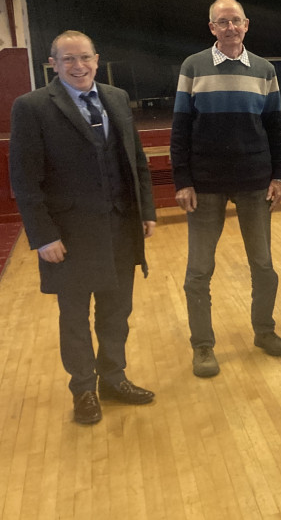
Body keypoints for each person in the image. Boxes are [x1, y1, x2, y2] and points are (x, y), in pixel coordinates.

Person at [10, 31, 157, 424]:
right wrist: (43, 236)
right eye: (69, 60)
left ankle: (113, 377)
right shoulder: (32, 107)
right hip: (69, 237)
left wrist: (147, 211)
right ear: (53, 64)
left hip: (119, 230)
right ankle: (83, 390)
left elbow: (136, 159)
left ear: (96, 59)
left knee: (116, 312)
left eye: (85, 58)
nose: (79, 66)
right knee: (74, 318)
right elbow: (24, 180)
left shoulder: (116, 98)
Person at [171, 0, 281, 379]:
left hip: (255, 182)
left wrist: (278, 175)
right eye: (222, 22)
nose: (230, 27)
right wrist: (182, 181)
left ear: (246, 25)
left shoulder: (265, 69)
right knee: (199, 271)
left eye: (235, 21)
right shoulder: (193, 66)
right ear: (211, 28)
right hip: (204, 185)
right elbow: (180, 129)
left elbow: (274, 128)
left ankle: (265, 331)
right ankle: (203, 346)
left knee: (264, 266)